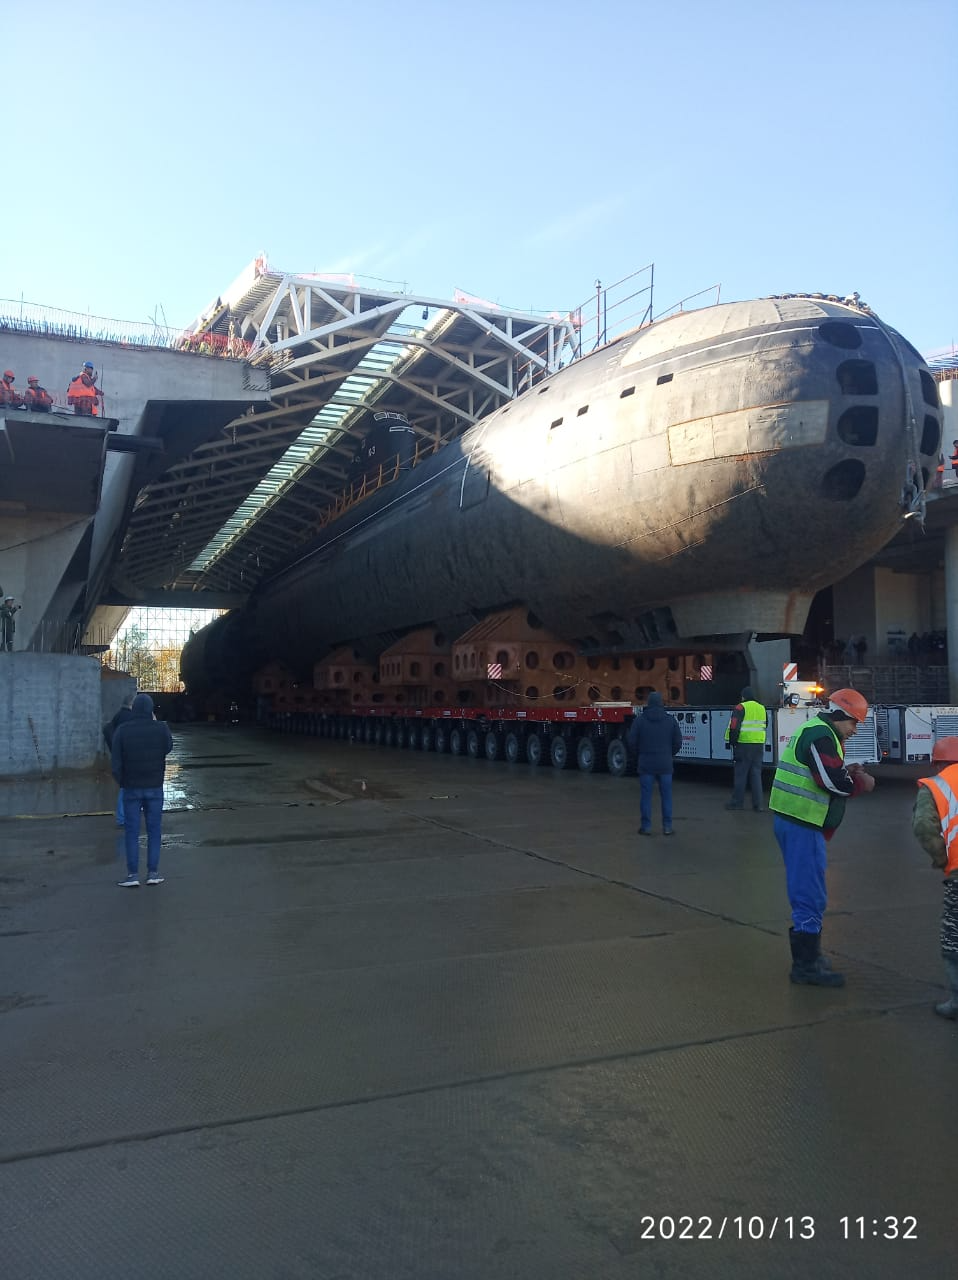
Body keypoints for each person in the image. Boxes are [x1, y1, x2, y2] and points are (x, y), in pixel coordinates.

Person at [769, 688, 875, 986]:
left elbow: (823, 771)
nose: (855, 730)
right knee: (809, 895)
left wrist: (846, 770)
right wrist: (860, 783)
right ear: (841, 715)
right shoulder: (821, 735)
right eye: (854, 723)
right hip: (801, 822)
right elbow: (830, 781)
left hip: (798, 821)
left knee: (808, 891)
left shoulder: (821, 732)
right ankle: (805, 967)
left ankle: (811, 958)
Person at [912, 736, 958, 1020]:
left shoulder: (937, 786)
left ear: (938, 763)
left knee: (954, 939)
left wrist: (943, 860)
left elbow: (924, 828)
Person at [111, 693, 173, 886]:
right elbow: (168, 747)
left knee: (132, 831)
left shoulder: (122, 730)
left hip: (131, 788)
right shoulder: (161, 728)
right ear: (151, 710)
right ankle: (153, 873)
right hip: (154, 787)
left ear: (134, 709)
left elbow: (116, 763)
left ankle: (132, 875)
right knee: (154, 830)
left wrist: (123, 782)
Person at [627, 690, 683, 836]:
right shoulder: (670, 720)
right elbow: (678, 742)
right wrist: (669, 754)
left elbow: (631, 742)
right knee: (667, 797)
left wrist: (640, 754)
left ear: (649, 703)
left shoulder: (640, 720)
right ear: (661, 703)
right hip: (665, 765)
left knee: (646, 797)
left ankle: (646, 827)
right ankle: (667, 827)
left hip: (646, 764)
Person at [724, 685, 766, 811]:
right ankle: (758, 805)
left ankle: (737, 803)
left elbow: (734, 726)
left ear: (744, 696)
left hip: (743, 745)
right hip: (758, 745)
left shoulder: (740, 707)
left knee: (741, 775)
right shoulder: (761, 708)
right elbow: (766, 724)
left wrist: (733, 742)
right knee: (756, 775)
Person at [102, 694, 135, 826]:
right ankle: (122, 818)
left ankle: (123, 817)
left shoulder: (119, 715)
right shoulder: (129, 718)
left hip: (120, 756)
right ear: (132, 704)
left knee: (125, 786)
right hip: (127, 757)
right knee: (127, 788)